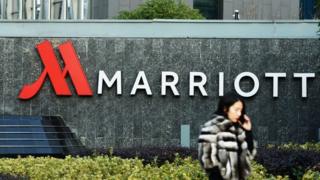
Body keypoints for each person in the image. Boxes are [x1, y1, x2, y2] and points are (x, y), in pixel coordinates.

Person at [198, 92, 256, 180]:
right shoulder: (212, 128)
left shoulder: (239, 129)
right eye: (236, 110)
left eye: (241, 110)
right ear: (225, 108)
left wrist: (248, 131)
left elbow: (249, 154)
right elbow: (207, 161)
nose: (239, 114)